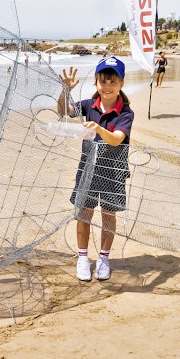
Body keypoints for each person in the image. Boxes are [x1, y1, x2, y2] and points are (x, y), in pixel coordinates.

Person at [57, 57, 134, 281]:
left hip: (113, 170)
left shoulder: (125, 113)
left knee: (108, 215)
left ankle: (103, 258)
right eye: (103, 81)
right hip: (87, 168)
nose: (107, 87)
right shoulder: (88, 106)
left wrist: (99, 129)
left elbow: (116, 140)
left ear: (121, 83)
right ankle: (83, 258)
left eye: (112, 82)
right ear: (96, 83)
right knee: (84, 213)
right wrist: (64, 91)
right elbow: (64, 111)